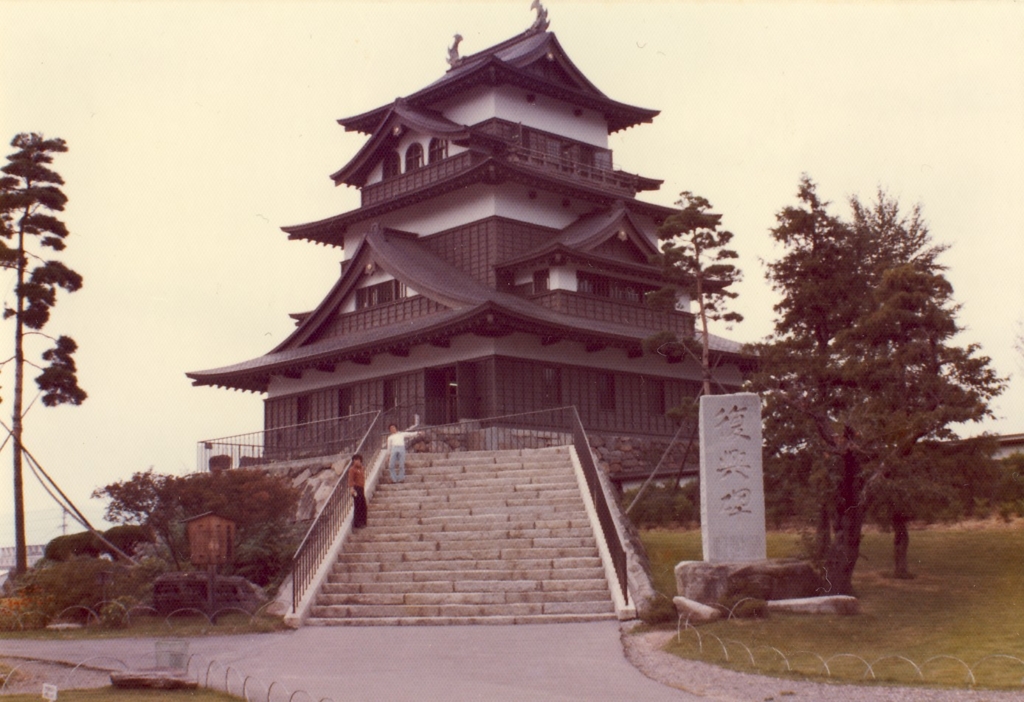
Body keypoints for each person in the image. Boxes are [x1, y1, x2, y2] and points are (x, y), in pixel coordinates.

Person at [349, 453, 367, 528]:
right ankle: (357, 523)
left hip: (361, 488)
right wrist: (351, 488)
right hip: (356, 488)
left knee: (363, 505)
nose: (357, 461)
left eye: (358, 460)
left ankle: (363, 521)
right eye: (355, 460)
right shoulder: (352, 470)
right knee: (357, 505)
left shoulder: (362, 468)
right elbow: (351, 480)